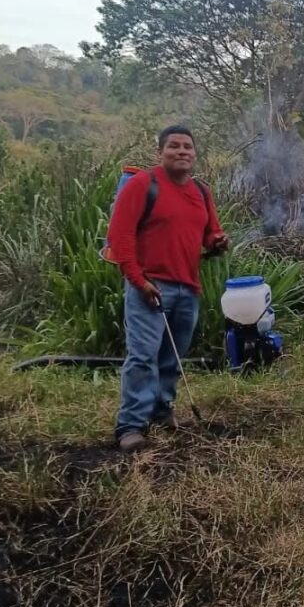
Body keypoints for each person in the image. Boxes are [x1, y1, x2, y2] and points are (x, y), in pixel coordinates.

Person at [107, 125, 229, 452]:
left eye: (187, 146)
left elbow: (209, 231)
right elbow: (121, 238)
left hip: (187, 287)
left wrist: (216, 242)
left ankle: (162, 411)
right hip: (150, 285)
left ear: (195, 154)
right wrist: (139, 280)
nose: (181, 151)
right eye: (174, 146)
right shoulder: (142, 186)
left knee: (172, 357)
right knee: (143, 356)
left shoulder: (201, 191)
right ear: (160, 152)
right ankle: (131, 426)